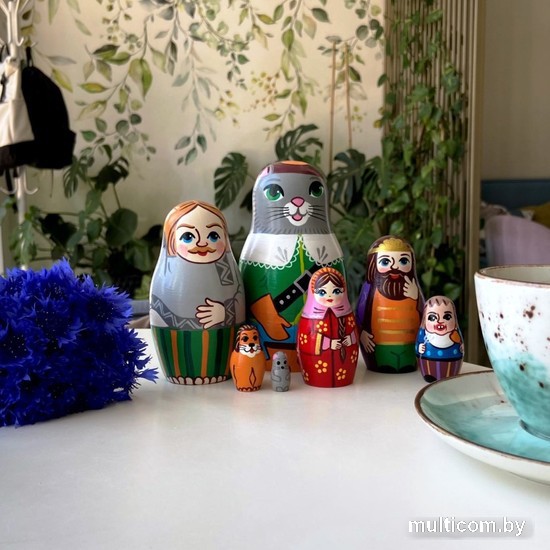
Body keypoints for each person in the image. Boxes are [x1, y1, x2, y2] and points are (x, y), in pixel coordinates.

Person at [297, 267, 359, 387]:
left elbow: (353, 333)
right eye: (322, 292)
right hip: (318, 367)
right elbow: (307, 340)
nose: (329, 296)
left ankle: (345, 378)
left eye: (336, 291)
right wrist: (329, 343)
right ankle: (316, 379)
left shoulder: (346, 314)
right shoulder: (310, 317)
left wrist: (350, 339)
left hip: (343, 366)